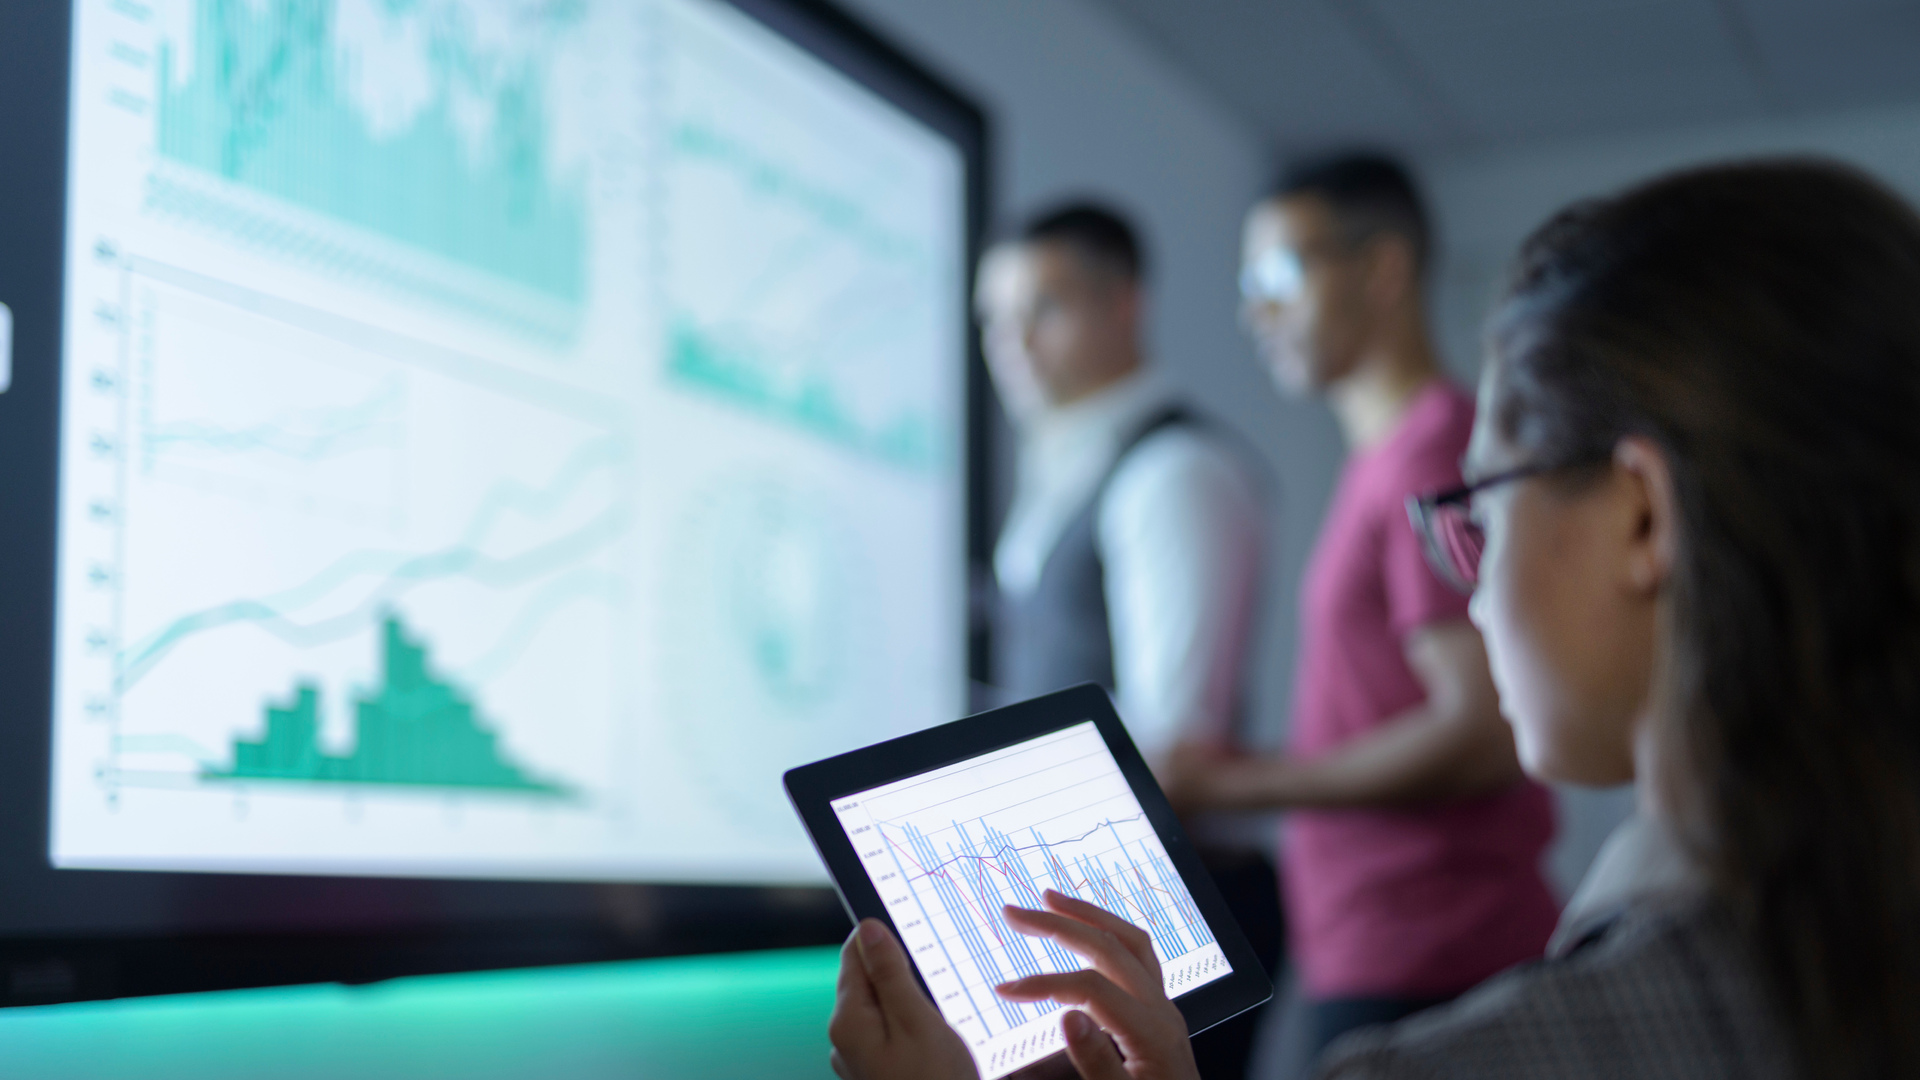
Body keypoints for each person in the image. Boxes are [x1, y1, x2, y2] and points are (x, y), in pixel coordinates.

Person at [830, 158, 1920, 1080]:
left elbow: (1471, 730)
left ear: (1640, 516)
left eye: (1482, 512)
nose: (1477, 586)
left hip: (1417, 931)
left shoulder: (1391, 447)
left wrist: (1231, 780)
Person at [1161, 154, 1558, 1055]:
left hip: (1434, 953)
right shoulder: (1386, 458)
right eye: (1245, 285)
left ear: (1382, 268)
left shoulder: (1430, 454)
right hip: (1378, 948)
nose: (1254, 313)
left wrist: (1234, 781)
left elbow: (1482, 730)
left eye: (1279, 278)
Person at [975, 202, 1277, 1077]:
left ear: (1123, 306)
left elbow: (1175, 742)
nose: (1013, 344)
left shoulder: (1173, 471)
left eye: (1045, 309)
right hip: (1102, 908)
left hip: (1164, 911)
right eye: (994, 319)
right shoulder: (1068, 467)